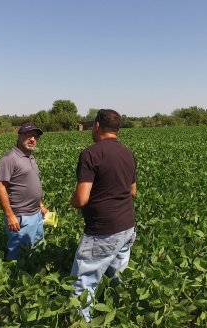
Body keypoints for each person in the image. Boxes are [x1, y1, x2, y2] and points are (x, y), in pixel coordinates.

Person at [70, 109, 137, 322]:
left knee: (83, 283)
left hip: (103, 230)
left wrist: (72, 201)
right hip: (127, 227)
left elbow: (81, 199)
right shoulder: (128, 153)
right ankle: (119, 317)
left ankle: (82, 323)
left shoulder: (91, 154)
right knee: (118, 278)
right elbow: (132, 191)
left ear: (97, 126)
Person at [0, 122, 48, 260]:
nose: (32, 139)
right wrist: (9, 215)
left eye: (35, 137)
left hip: (36, 214)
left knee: (36, 249)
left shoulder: (30, 157)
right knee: (18, 256)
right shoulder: (9, 159)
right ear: (19, 136)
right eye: (29, 135)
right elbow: (1, 187)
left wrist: (40, 205)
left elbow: (30, 183)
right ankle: (13, 280)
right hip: (21, 216)